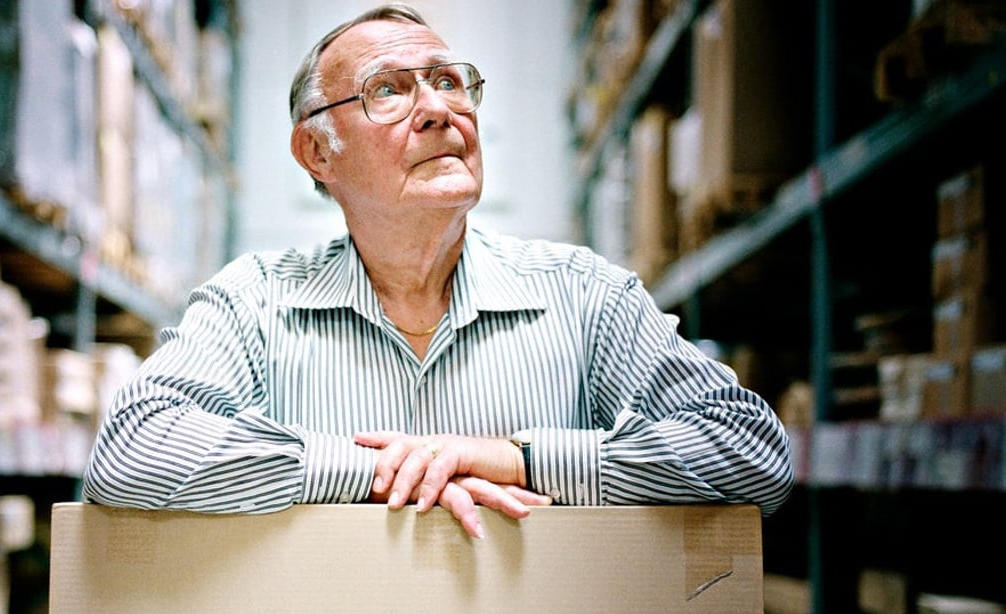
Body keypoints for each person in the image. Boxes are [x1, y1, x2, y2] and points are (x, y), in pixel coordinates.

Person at [82, 3, 793, 539]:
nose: (438, 110)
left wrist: (519, 459)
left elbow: (752, 453)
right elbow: (130, 452)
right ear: (317, 153)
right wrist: (369, 469)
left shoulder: (585, 293)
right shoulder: (254, 301)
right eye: (389, 90)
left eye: (452, 83)